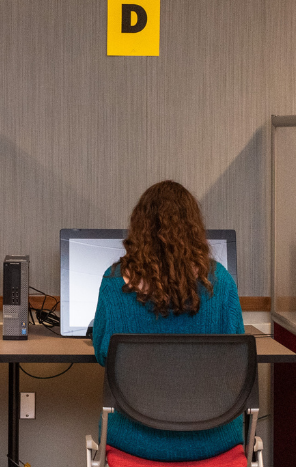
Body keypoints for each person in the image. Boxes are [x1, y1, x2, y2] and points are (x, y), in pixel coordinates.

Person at [90, 180, 245, 462]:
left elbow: (103, 353)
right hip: (212, 442)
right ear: (194, 229)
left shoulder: (114, 282)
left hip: (134, 443)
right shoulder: (221, 281)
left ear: (139, 229)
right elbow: (233, 359)